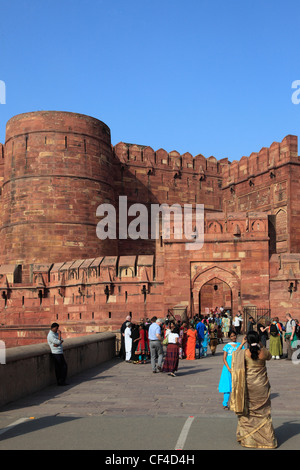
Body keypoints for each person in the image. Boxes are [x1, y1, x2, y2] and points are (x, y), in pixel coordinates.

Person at [230, 331, 277, 449]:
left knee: (248, 411)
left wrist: (241, 343)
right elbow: (270, 356)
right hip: (262, 386)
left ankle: (249, 439)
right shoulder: (264, 352)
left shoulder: (243, 353)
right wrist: (261, 344)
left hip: (248, 385)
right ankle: (267, 441)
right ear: (258, 340)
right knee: (263, 412)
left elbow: (234, 358)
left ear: (248, 340)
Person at [218, 330, 244, 410]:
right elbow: (224, 358)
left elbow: (241, 355)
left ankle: (236, 403)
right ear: (229, 337)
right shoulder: (227, 346)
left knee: (237, 385)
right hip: (228, 368)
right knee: (227, 385)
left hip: (237, 367)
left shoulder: (240, 345)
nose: (233, 337)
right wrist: (228, 368)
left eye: (234, 335)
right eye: (232, 336)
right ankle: (225, 403)